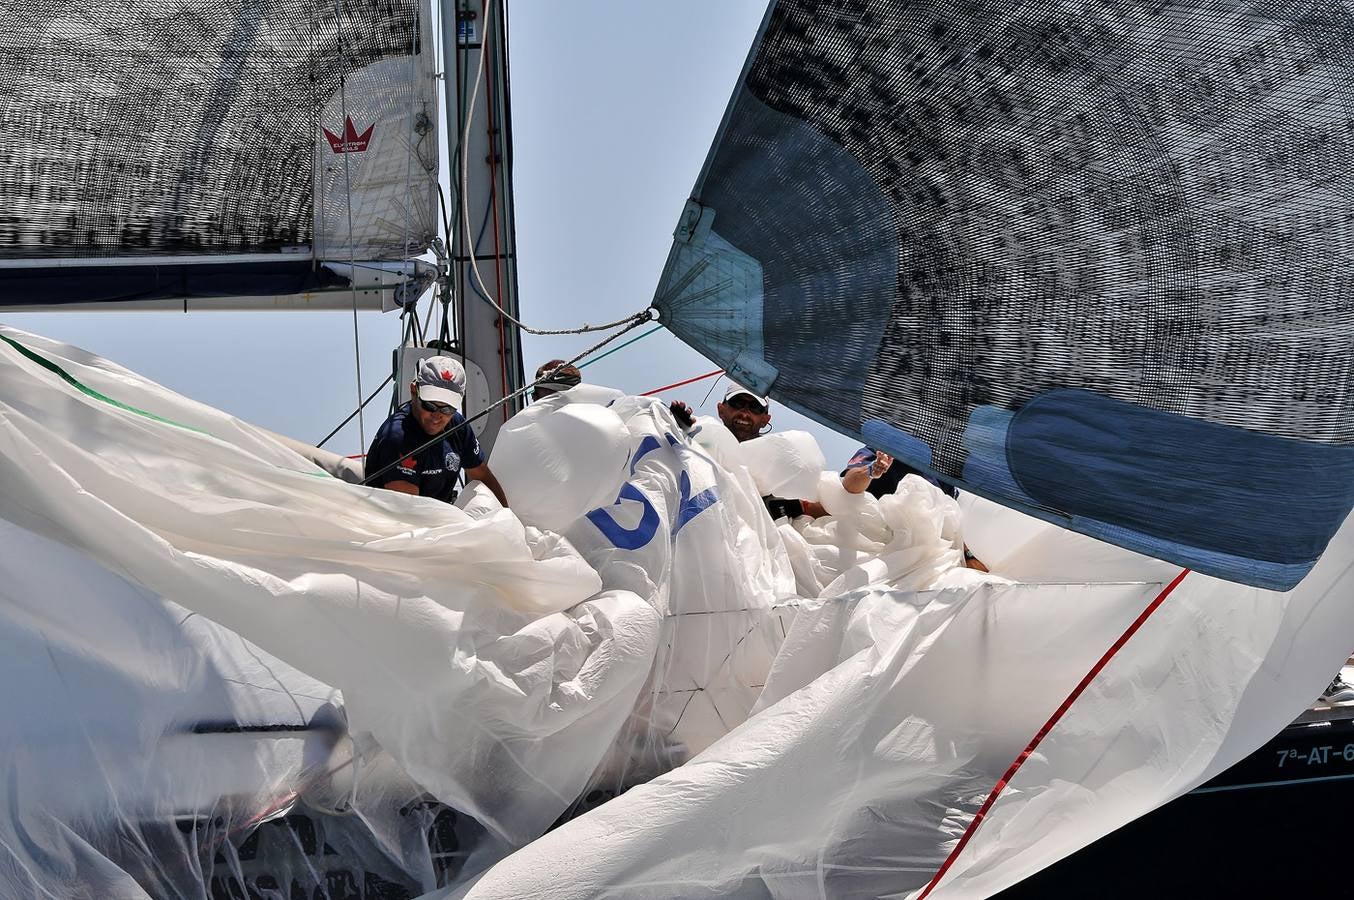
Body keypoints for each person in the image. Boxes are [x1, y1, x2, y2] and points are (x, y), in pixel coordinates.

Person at [364, 356, 508, 507]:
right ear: (414, 391)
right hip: (400, 523)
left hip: (437, 519)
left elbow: (482, 476)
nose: (437, 416)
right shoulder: (398, 437)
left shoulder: (458, 426)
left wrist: (509, 517)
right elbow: (406, 513)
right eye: (430, 406)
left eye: (448, 408)